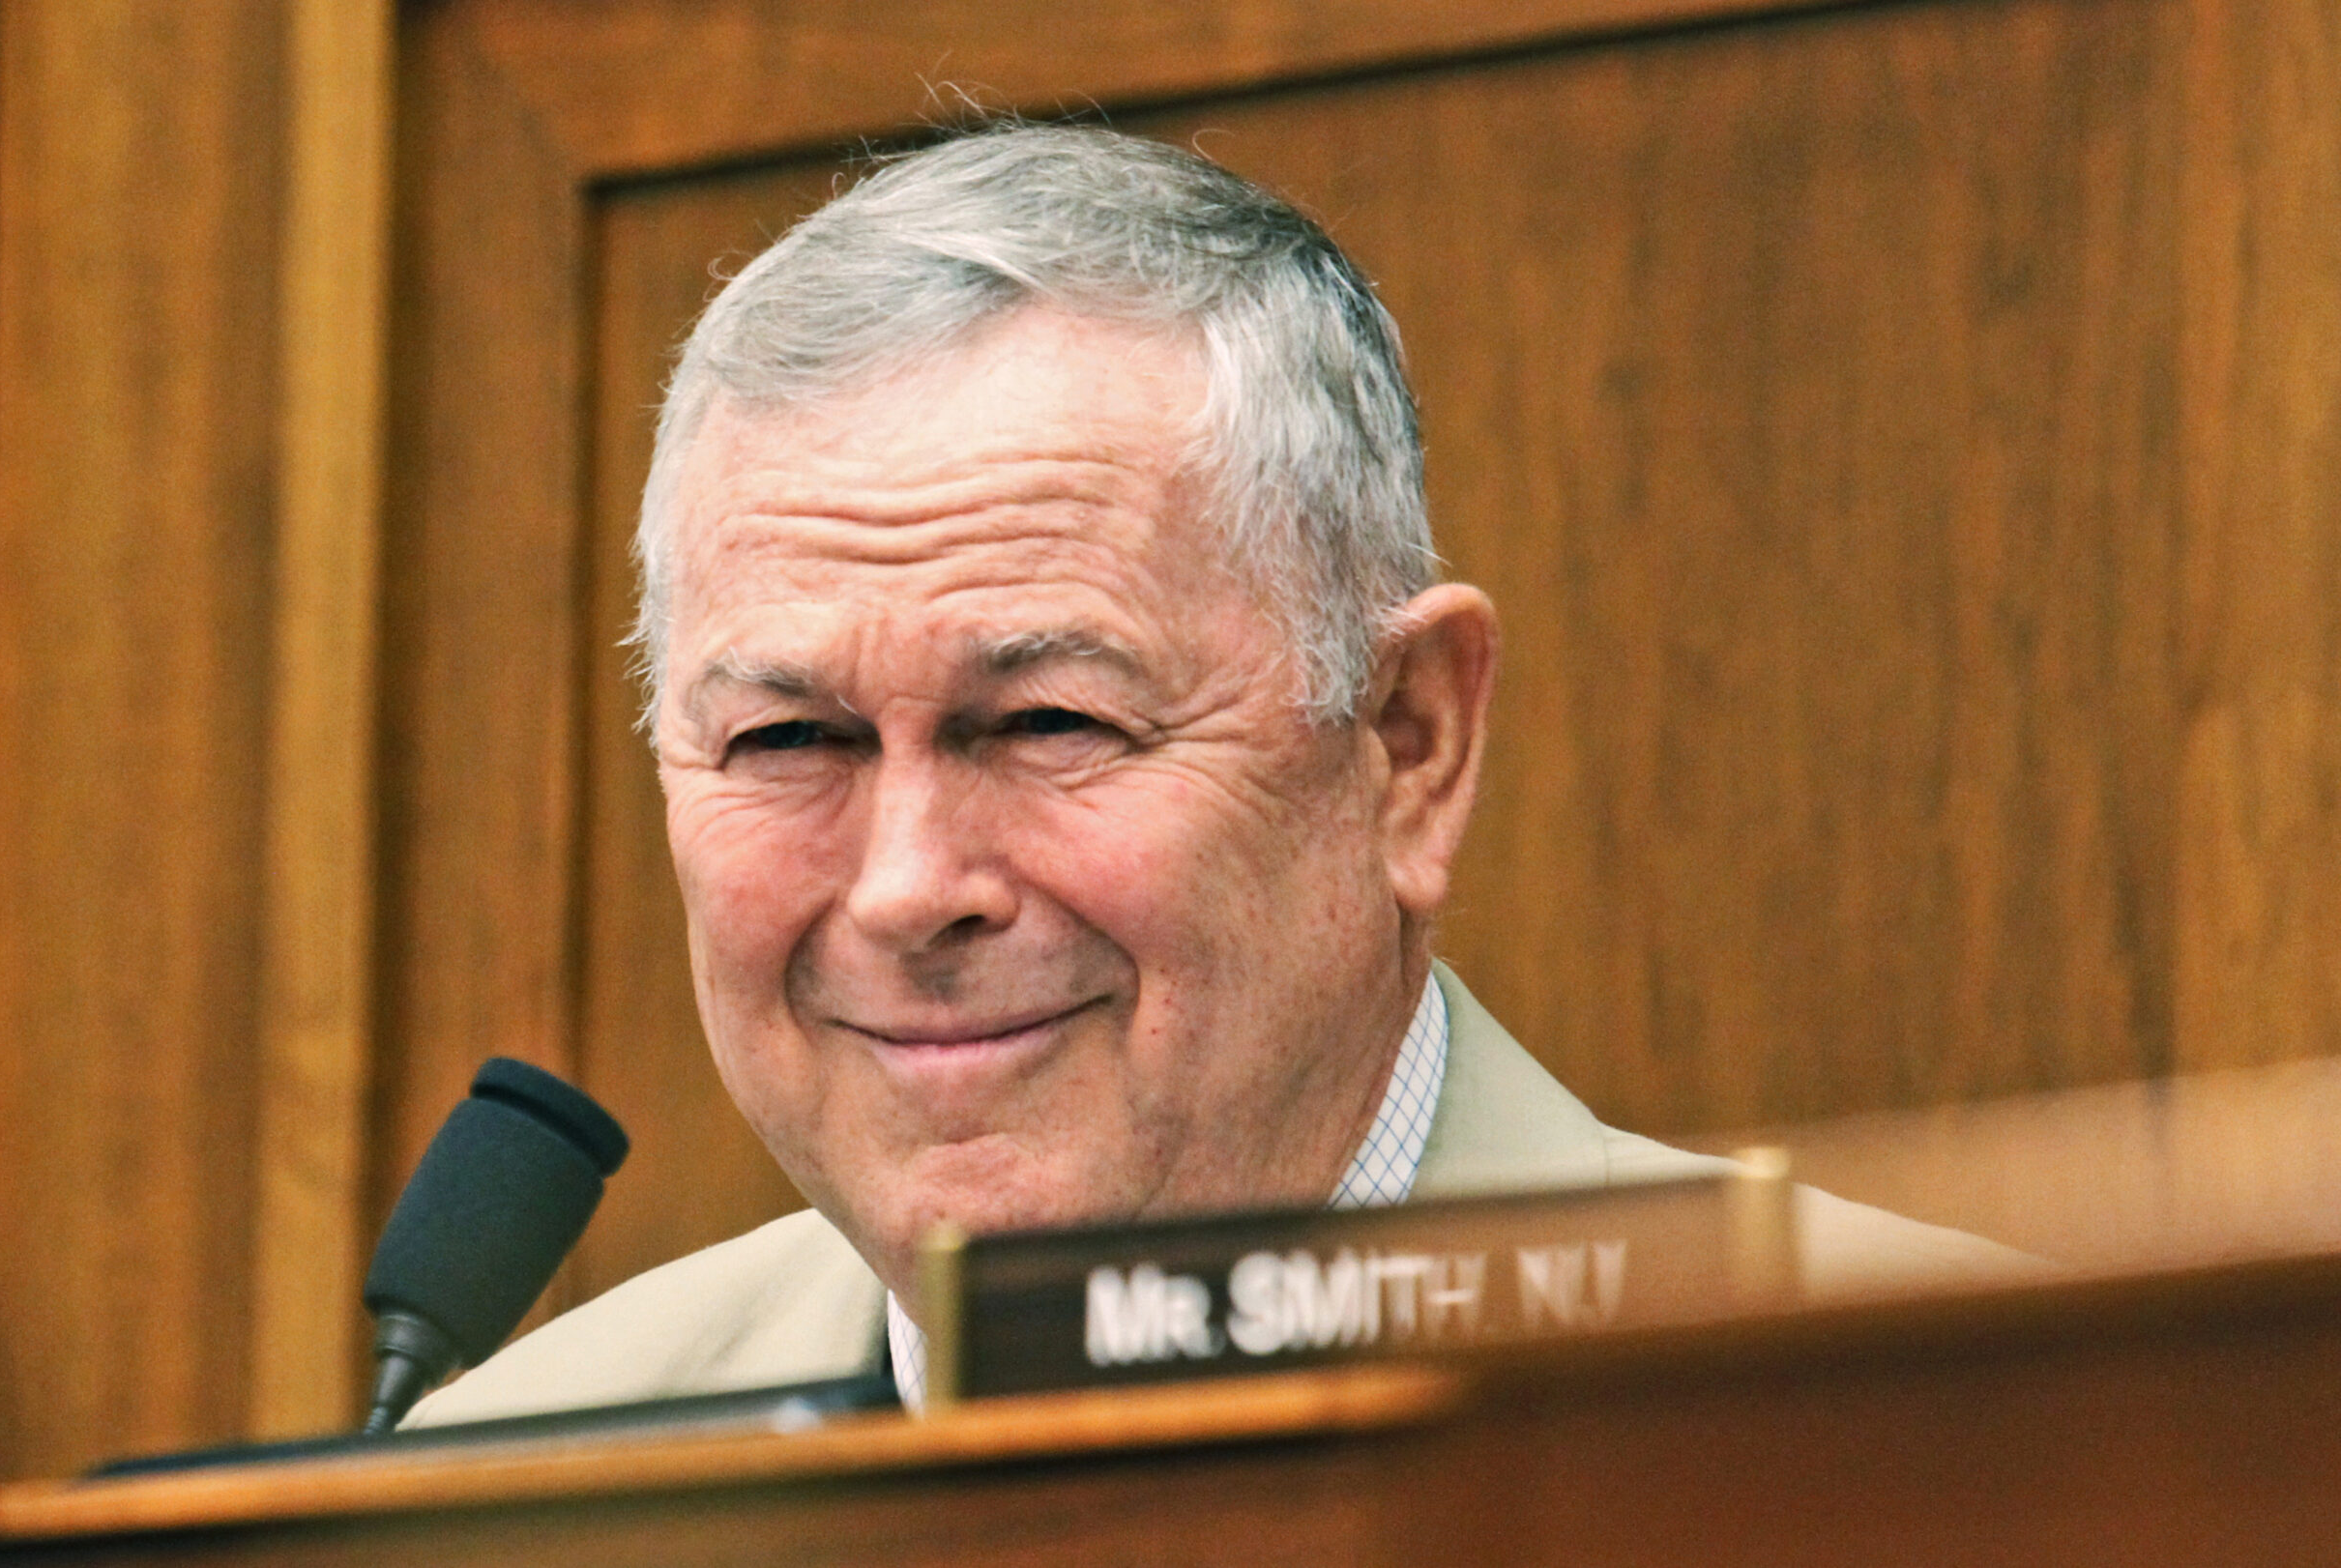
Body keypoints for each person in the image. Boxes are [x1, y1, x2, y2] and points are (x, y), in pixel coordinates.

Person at [408, 124, 2020, 1426]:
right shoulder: (508, 1491)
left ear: (1407, 743)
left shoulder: (1946, 1433)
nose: (906, 889)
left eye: (1048, 723)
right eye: (789, 739)